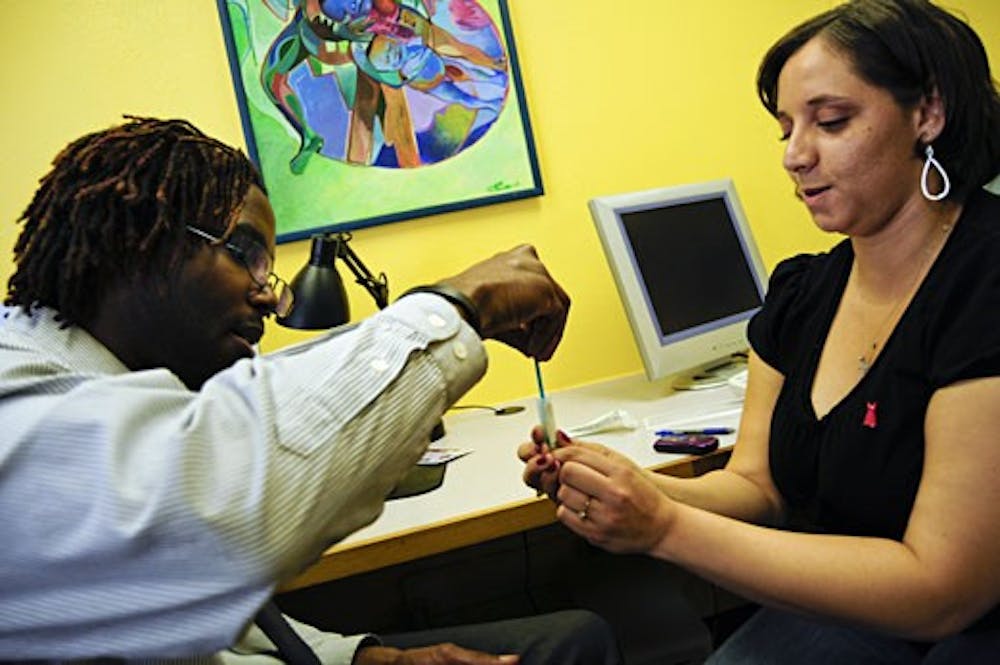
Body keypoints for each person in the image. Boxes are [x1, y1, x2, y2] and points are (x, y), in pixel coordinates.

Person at [0, 115, 623, 665]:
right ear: (132, 245)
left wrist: (359, 657)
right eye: (244, 251)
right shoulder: (16, 394)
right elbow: (215, 519)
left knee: (575, 638)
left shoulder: (122, 385)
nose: (269, 294)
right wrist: (461, 303)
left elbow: (204, 625)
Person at [521, 0, 1000, 662]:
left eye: (831, 122)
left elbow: (942, 590)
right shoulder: (802, 296)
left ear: (927, 114)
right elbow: (758, 488)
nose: (796, 156)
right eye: (785, 129)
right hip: (850, 614)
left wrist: (663, 527)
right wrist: (626, 483)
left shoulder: (984, 282)